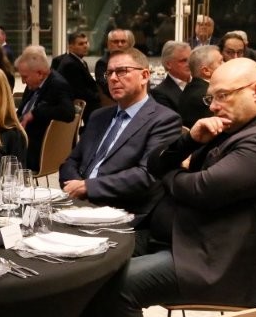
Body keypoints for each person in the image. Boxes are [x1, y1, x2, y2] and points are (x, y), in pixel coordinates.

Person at [61, 59, 256, 317]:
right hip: (183, 236)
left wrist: (171, 175)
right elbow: (157, 161)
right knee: (93, 263)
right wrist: (189, 141)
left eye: (223, 96)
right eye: (211, 97)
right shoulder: (230, 128)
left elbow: (198, 189)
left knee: (119, 286)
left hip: (216, 258)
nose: (213, 106)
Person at [59, 46, 181, 228]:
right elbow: (71, 161)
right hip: (79, 206)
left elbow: (147, 175)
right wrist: (76, 186)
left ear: (145, 76)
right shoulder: (99, 116)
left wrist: (88, 187)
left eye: (122, 71)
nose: (113, 78)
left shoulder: (164, 120)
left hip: (122, 213)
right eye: (109, 73)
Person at [16, 46, 76, 173]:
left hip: (36, 148)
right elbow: (21, 112)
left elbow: (69, 113)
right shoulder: (33, 85)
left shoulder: (58, 85)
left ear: (39, 73)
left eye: (25, 77)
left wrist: (36, 113)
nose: (23, 81)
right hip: (21, 136)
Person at [51, 32, 101, 121]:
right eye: (81, 44)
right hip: (79, 105)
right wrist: (98, 96)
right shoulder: (70, 64)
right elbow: (80, 90)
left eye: (86, 43)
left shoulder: (79, 61)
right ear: (70, 47)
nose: (85, 46)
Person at [178, 45, 224, 128]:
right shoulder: (206, 96)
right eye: (221, 62)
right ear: (206, 71)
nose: (225, 64)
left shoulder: (191, 88)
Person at [149, 40, 191, 113]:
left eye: (190, 59)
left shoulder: (200, 83)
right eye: (183, 61)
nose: (189, 64)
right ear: (168, 64)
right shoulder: (159, 93)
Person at [93, 28, 134, 98]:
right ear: (108, 44)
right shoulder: (102, 63)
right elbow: (106, 87)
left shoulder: (133, 60)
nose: (120, 44)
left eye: (123, 41)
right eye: (116, 42)